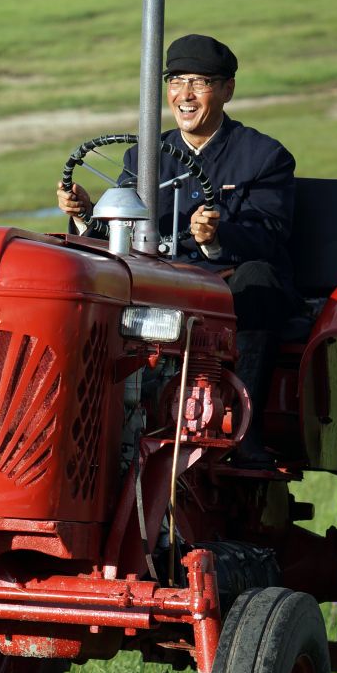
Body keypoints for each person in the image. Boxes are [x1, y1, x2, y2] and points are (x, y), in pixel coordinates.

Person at [56, 34, 296, 465]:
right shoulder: (144, 156)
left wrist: (216, 238)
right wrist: (86, 214)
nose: (185, 95)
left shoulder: (264, 157)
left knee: (259, 280)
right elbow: (120, 228)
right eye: (177, 81)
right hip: (157, 279)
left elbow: (270, 234)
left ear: (227, 89)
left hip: (222, 281)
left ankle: (245, 427)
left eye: (200, 83)